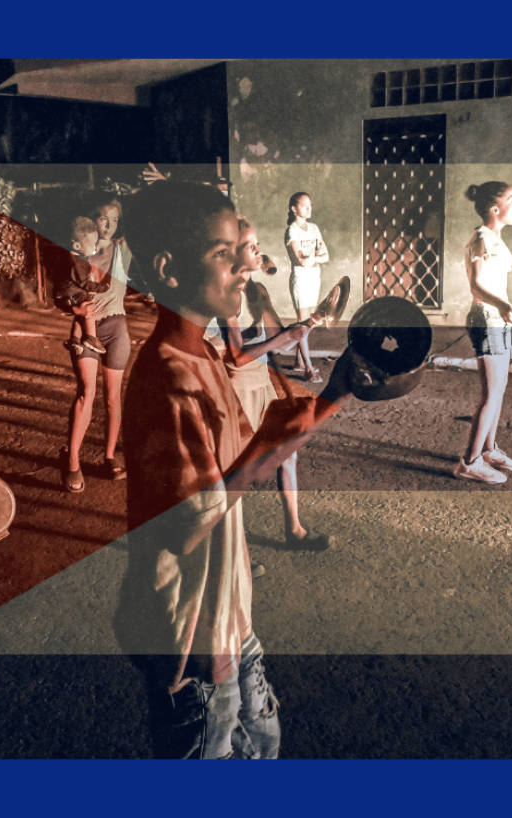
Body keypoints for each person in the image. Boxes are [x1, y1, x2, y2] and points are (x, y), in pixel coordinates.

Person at [113, 181, 353, 759]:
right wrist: (264, 442)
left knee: (264, 747)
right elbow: (186, 523)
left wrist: (343, 390)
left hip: (230, 617)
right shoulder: (167, 380)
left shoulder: (207, 354)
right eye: (224, 253)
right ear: (168, 269)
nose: (246, 264)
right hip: (189, 640)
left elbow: (247, 464)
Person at [220, 218, 330, 557]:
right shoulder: (224, 294)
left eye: (257, 243)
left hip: (261, 381)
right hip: (236, 387)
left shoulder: (259, 291)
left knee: (287, 455)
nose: (259, 250)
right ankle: (229, 559)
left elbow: (280, 342)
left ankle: (294, 529)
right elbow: (236, 358)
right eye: (251, 245)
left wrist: (310, 323)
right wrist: (283, 338)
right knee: (237, 472)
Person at [56, 200, 133, 490]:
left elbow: (151, 218)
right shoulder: (75, 254)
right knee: (85, 392)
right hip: (85, 328)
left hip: (116, 327)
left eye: (115, 219)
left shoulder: (122, 250)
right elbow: (61, 295)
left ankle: (109, 457)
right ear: (94, 220)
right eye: (103, 218)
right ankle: (72, 461)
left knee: (113, 397)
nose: (109, 224)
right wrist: (72, 311)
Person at [453, 182, 512, 485]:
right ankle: (469, 462)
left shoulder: (495, 238)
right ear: (495, 210)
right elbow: (477, 285)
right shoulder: (482, 238)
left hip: (499, 318)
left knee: (500, 390)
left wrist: (504, 307)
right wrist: (502, 304)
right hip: (487, 318)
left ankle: (489, 449)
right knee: (491, 394)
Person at [284, 192, 329, 383]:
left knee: (309, 323)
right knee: (303, 324)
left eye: (310, 205)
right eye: (304, 206)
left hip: (314, 279)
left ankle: (299, 361)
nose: (309, 209)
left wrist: (313, 258)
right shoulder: (292, 230)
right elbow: (301, 262)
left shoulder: (314, 228)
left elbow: (326, 256)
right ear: (294, 208)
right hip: (301, 280)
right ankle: (309, 370)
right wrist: (312, 258)